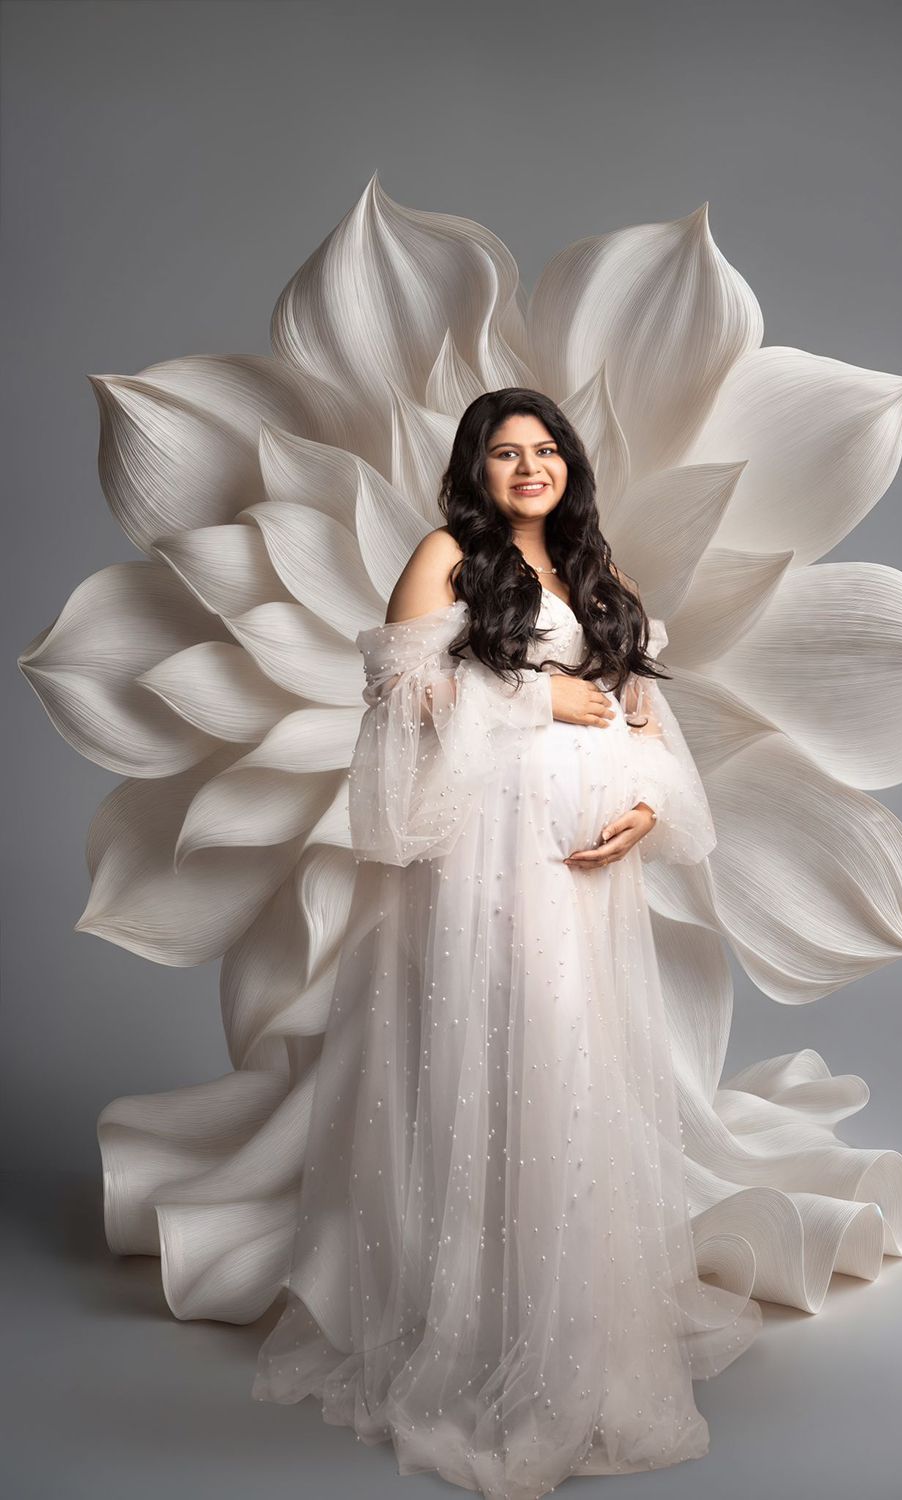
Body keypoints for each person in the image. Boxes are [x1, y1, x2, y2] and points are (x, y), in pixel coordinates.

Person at [251, 387, 762, 1500]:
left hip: (585, 866)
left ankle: (572, 1325)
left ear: (569, 464)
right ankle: (488, 1333)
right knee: (515, 1052)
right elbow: (399, 698)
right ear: (474, 470)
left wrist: (647, 805)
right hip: (488, 854)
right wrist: (540, 702)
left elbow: (643, 714)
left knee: (579, 1065)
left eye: (545, 449)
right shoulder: (446, 556)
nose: (529, 466)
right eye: (504, 451)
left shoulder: (597, 572)